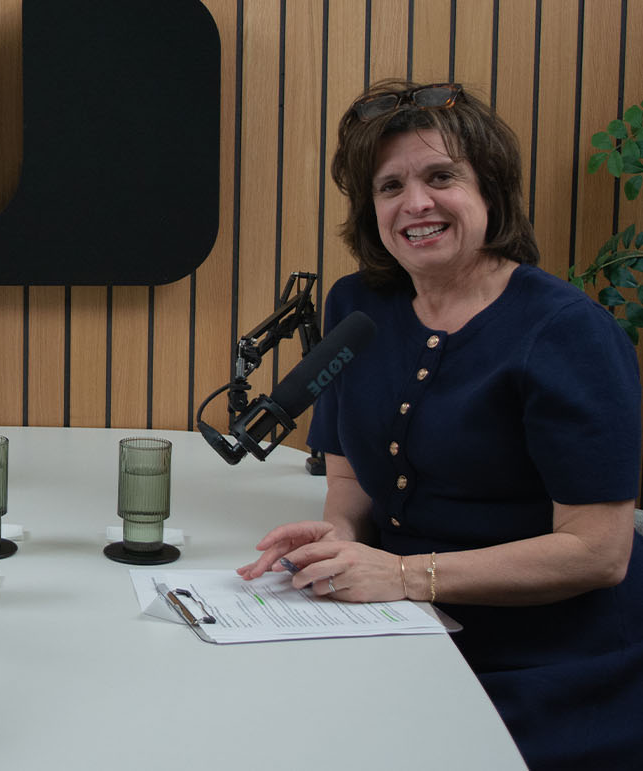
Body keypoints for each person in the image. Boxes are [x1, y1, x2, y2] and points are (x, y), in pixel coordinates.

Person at [236, 80, 643, 769]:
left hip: (550, 666)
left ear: (491, 189)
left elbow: (599, 552)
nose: (415, 203)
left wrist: (402, 573)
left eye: (440, 176)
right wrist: (336, 537)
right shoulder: (354, 304)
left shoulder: (568, 332)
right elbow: (349, 478)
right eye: (390, 185)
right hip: (402, 631)